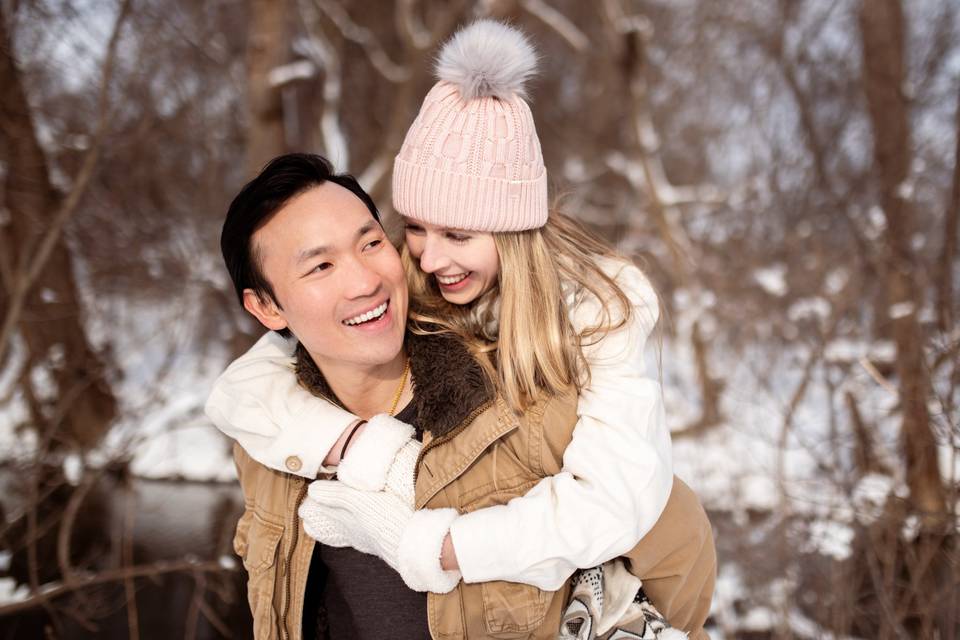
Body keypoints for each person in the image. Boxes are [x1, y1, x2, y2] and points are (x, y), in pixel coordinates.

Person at [210, 20, 715, 640]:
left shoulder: (586, 329)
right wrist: (358, 446)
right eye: (413, 228)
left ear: (511, 231)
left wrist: (429, 543)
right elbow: (240, 389)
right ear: (267, 306)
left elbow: (639, 514)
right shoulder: (401, 298)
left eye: (458, 235)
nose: (425, 257)